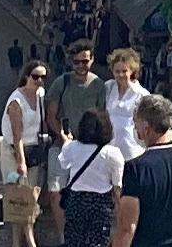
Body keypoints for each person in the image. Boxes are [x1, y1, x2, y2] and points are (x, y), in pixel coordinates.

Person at [109, 92, 172, 247]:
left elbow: (127, 228)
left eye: (135, 122)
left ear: (146, 128)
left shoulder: (136, 169)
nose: (134, 127)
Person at [51, 87, 127, 247]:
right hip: (100, 202)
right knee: (98, 241)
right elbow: (117, 187)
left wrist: (67, 142)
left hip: (76, 200)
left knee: (74, 240)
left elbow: (63, 163)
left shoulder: (72, 147)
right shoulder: (112, 153)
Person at [0, 61, 51, 247]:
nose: (39, 81)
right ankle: (30, 242)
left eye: (43, 77)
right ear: (26, 77)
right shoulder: (16, 101)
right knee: (19, 199)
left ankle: (17, 243)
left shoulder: (40, 95)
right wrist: (21, 162)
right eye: (35, 77)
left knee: (27, 199)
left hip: (34, 152)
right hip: (13, 154)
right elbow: (16, 135)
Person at [99, 47, 148, 156]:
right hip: (110, 149)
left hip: (132, 150)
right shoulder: (108, 87)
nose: (120, 75)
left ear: (132, 71)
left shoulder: (142, 94)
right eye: (117, 71)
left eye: (124, 71)